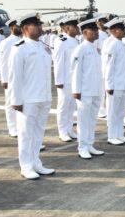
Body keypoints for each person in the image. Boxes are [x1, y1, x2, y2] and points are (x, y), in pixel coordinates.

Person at [9, 13, 54, 179]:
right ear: (25, 28)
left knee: (38, 133)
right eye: (35, 24)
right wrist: (16, 100)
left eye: (39, 24)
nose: (40, 27)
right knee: (26, 134)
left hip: (43, 96)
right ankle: (26, 166)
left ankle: (36, 162)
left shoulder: (42, 47)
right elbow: (15, 76)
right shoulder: (19, 48)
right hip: (28, 99)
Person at [72, 17, 105, 159]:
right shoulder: (81, 49)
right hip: (84, 91)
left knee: (92, 120)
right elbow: (75, 71)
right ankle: (82, 147)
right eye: (94, 30)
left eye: (97, 29)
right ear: (85, 32)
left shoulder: (95, 49)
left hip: (96, 90)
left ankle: (90, 144)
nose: (97, 32)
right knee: (83, 120)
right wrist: (76, 90)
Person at [102, 17, 125, 145]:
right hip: (115, 85)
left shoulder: (122, 44)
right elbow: (108, 67)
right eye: (122, 29)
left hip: (124, 83)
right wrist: (108, 85)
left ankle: (120, 134)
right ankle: (112, 136)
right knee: (112, 112)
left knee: (120, 112)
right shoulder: (113, 45)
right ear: (114, 31)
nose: (124, 31)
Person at [53, 14, 80, 142]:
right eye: (75, 26)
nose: (77, 28)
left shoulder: (76, 40)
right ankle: (62, 131)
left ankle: (69, 129)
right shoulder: (61, 41)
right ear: (67, 28)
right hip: (64, 79)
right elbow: (58, 61)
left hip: (74, 79)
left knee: (71, 106)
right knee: (63, 106)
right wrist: (58, 81)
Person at [0, 18, 22, 137]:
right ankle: (12, 128)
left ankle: (20, 126)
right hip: (10, 78)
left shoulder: (23, 40)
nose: (20, 28)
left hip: (22, 78)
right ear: (12, 27)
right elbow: (3, 62)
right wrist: (4, 79)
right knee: (10, 103)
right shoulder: (6, 42)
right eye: (18, 26)